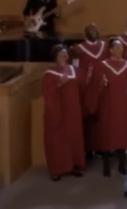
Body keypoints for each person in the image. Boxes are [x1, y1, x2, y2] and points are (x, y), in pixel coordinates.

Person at [85, 38, 127, 177]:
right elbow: (95, 86)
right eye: (117, 47)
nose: (120, 49)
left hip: (124, 106)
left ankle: (122, 164)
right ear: (110, 50)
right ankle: (106, 165)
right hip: (107, 106)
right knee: (106, 135)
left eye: (121, 47)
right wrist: (101, 85)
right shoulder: (102, 66)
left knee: (123, 134)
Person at [42, 44, 86, 181]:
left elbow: (83, 86)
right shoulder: (49, 74)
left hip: (73, 111)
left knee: (73, 137)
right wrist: (59, 84)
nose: (64, 57)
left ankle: (72, 166)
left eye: (66, 55)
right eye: (61, 55)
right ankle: (56, 169)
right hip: (58, 110)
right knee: (58, 140)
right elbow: (47, 92)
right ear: (55, 57)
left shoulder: (73, 69)